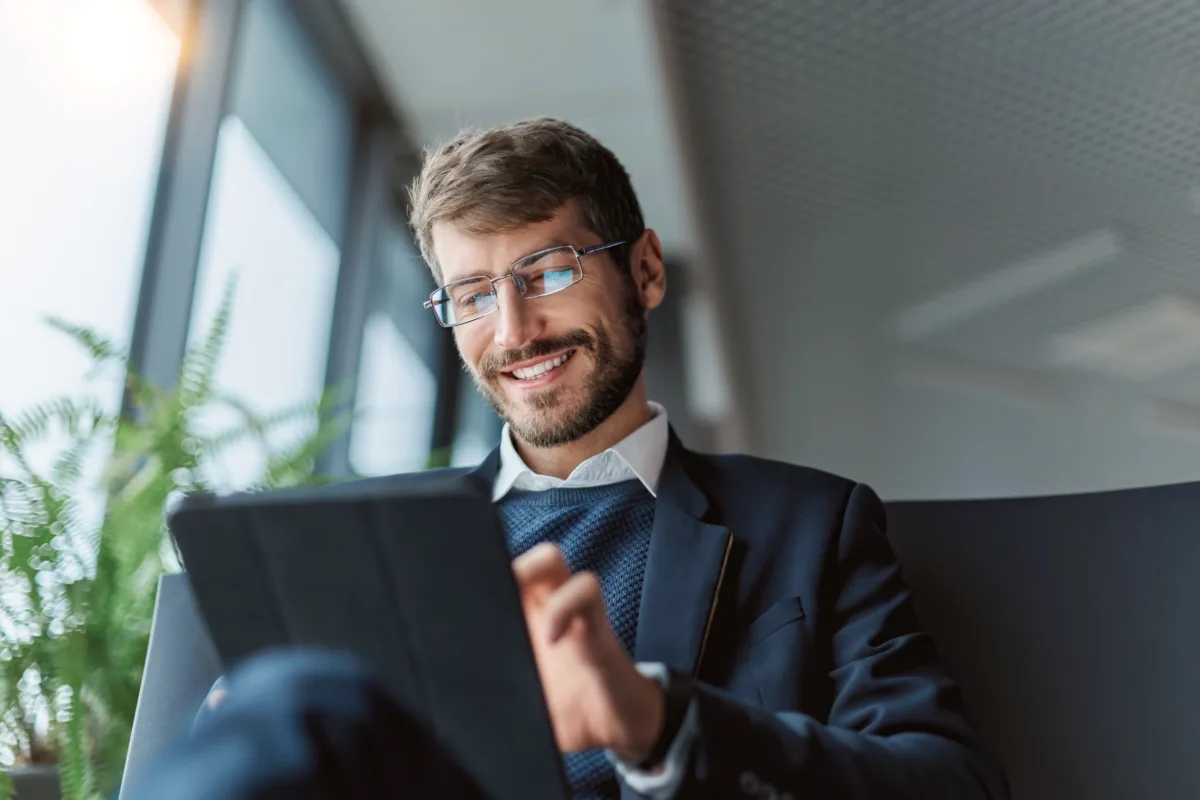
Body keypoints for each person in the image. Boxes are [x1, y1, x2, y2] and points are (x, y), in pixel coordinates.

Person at [131, 118, 1009, 799]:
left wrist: (658, 720)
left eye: (548, 272)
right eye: (473, 295)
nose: (513, 332)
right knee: (283, 697)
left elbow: (950, 785)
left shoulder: (810, 526)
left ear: (647, 271)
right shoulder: (372, 542)